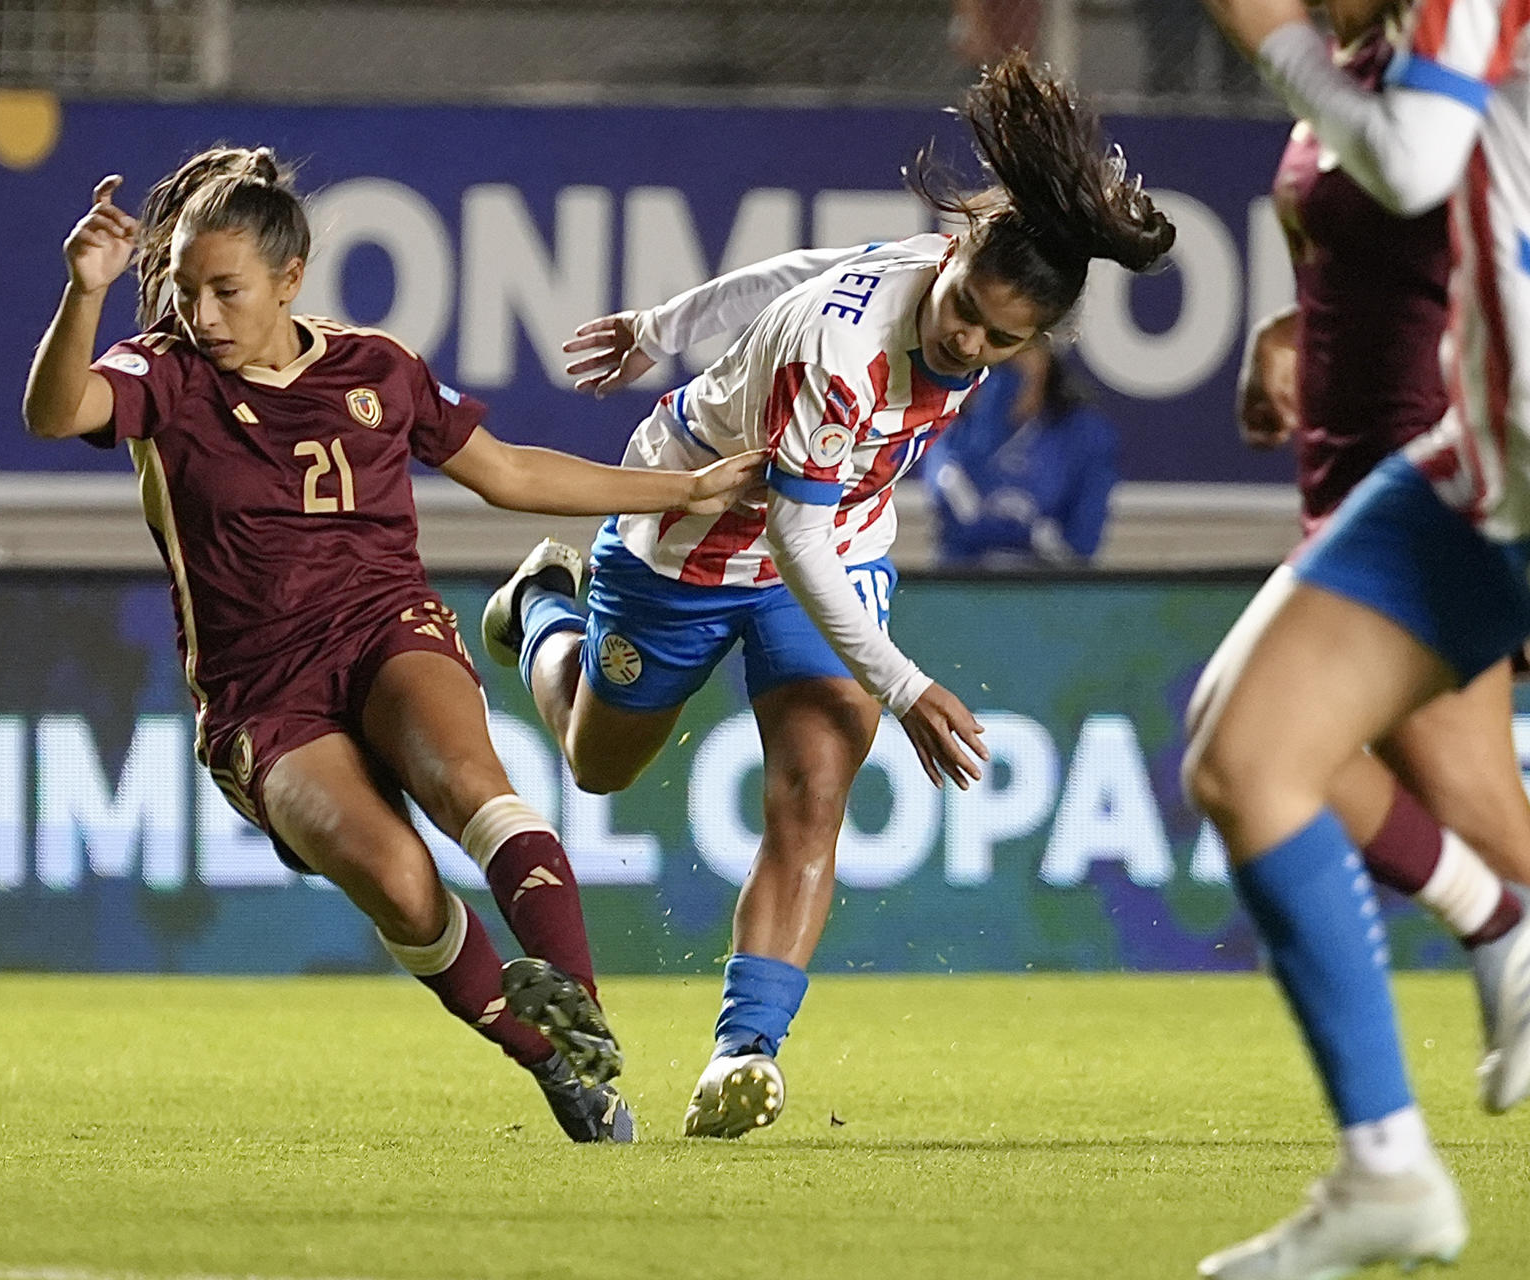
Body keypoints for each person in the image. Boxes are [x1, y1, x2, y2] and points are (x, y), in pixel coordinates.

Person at [480, 53, 1174, 1139]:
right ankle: (541, 610)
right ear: (955, 258)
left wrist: (663, 325)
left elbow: (798, 268)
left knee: (813, 791)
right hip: (697, 534)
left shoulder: (933, 271)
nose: (970, 343)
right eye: (966, 314)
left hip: (836, 543)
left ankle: (742, 1053)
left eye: (1001, 339)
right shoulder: (844, 358)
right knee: (597, 763)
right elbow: (788, 528)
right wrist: (904, 685)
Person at [19, 145, 763, 1144]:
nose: (203, 313)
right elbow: (56, 411)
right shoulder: (163, 374)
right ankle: (551, 1060)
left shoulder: (377, 367)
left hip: (384, 628)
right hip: (261, 693)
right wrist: (84, 292)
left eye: (227, 290)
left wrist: (687, 488)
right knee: (406, 887)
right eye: (189, 290)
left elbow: (509, 473)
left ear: (290, 278)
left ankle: (581, 1017)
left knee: (471, 787)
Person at [1186, 0, 1530, 1270]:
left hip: (1464, 440)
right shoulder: (1389, 49)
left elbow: (1417, 164)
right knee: (1248, 747)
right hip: (1487, 462)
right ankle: (1387, 1167)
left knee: (1449, 783)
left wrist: (1270, 35)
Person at [921, 338, 1118, 567]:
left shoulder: (1086, 433)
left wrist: (1034, 534)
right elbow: (953, 509)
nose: (1012, 361)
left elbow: (1081, 543)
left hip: (1050, 582)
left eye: (1025, 347)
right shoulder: (953, 425)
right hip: (964, 578)